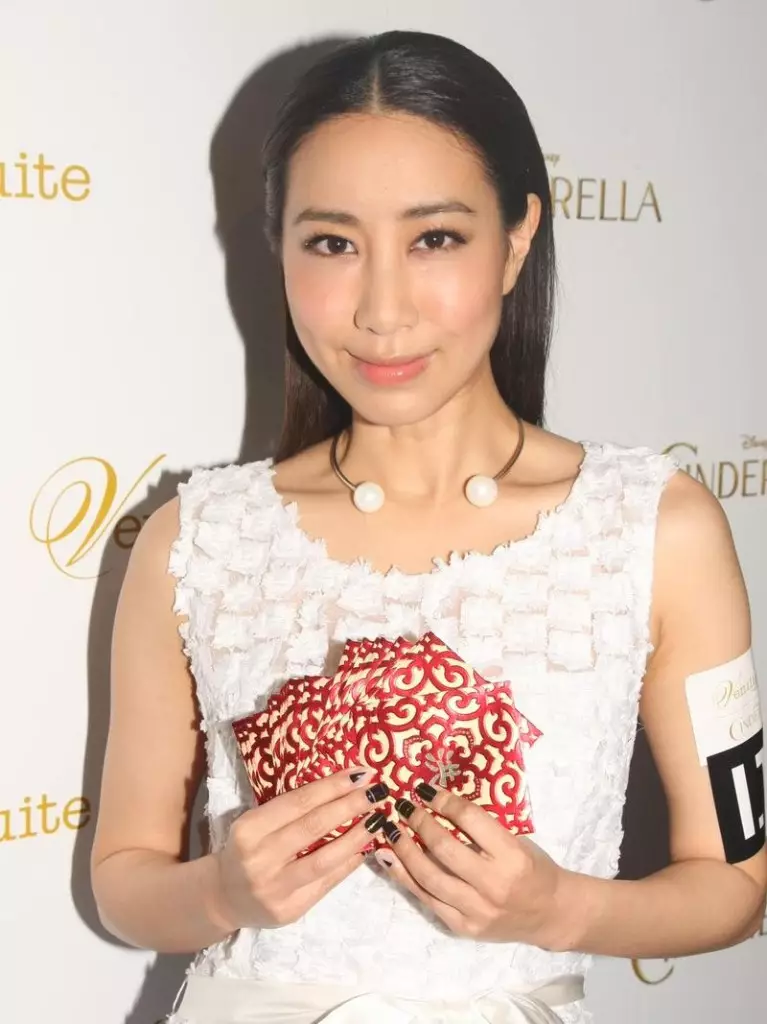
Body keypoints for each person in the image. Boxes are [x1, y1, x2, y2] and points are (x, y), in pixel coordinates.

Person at [90, 29, 766, 1024]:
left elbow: (737, 884)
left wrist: (560, 907)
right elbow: (123, 879)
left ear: (517, 238)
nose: (381, 309)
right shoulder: (196, 540)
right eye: (332, 244)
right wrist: (224, 892)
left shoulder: (654, 528)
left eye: (434, 238)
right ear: (277, 248)